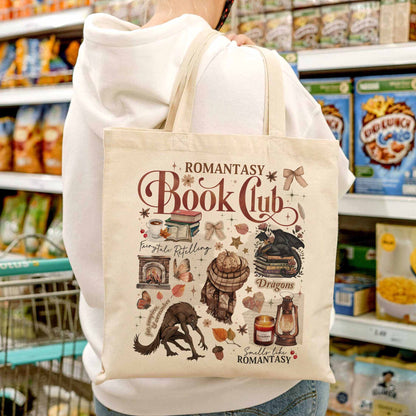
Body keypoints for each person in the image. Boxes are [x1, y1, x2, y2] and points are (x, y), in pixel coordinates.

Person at [62, 0, 355, 415]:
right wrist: (266, 74)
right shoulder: (257, 70)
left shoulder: (96, 66)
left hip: (122, 385)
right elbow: (332, 183)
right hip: (254, 385)